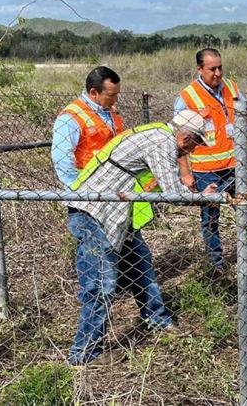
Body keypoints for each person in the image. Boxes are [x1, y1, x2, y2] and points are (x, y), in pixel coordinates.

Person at [61, 110, 217, 366]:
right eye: (196, 144)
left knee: (141, 266)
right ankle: (84, 354)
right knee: (101, 285)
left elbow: (167, 186)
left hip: (114, 215)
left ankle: (157, 320)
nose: (193, 150)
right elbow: (173, 194)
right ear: (186, 137)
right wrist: (203, 197)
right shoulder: (162, 141)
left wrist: (198, 194)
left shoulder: (158, 135)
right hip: (94, 214)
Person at [174, 48, 247, 271]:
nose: (217, 73)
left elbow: (243, 119)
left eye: (220, 67)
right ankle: (216, 264)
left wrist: (246, 147)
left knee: (246, 210)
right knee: (210, 217)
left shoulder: (232, 88)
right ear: (199, 69)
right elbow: (179, 141)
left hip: (235, 165)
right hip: (206, 170)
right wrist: (185, 173)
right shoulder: (187, 97)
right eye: (211, 69)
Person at [52, 66, 123, 189]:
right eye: (111, 95)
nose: (115, 100)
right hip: (85, 193)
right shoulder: (70, 117)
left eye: (117, 95)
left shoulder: (110, 112)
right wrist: (77, 188)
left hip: (112, 188)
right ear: (93, 93)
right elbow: (61, 157)